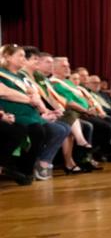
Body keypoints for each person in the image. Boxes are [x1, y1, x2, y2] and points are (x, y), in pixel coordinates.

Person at [0, 45, 70, 181]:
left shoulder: (20, 76)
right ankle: (25, 169)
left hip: (30, 112)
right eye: (19, 55)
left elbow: (35, 94)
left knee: (48, 130)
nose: (23, 58)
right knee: (37, 131)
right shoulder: (2, 73)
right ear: (7, 57)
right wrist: (29, 99)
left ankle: (27, 168)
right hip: (14, 110)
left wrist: (43, 108)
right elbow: (5, 93)